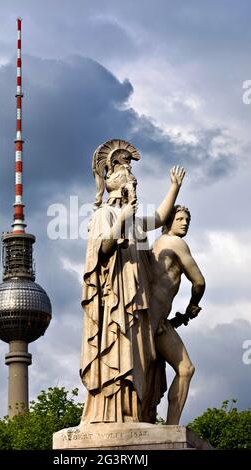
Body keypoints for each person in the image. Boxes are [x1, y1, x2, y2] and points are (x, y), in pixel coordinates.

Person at [80, 139, 185, 424]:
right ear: (118, 187)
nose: (135, 192)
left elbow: (162, 216)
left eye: (136, 187)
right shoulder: (106, 214)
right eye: (131, 186)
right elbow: (102, 250)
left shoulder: (137, 222)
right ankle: (111, 412)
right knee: (116, 350)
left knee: (140, 358)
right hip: (114, 300)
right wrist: (121, 220)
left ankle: (135, 412)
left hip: (137, 301)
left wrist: (174, 186)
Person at [148, 205, 205, 424]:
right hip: (156, 323)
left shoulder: (157, 245)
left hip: (155, 321)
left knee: (145, 374)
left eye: (187, 220)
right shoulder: (175, 243)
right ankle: (172, 427)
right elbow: (199, 282)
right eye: (180, 218)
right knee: (186, 369)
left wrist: (176, 319)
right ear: (168, 222)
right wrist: (193, 303)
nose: (185, 223)